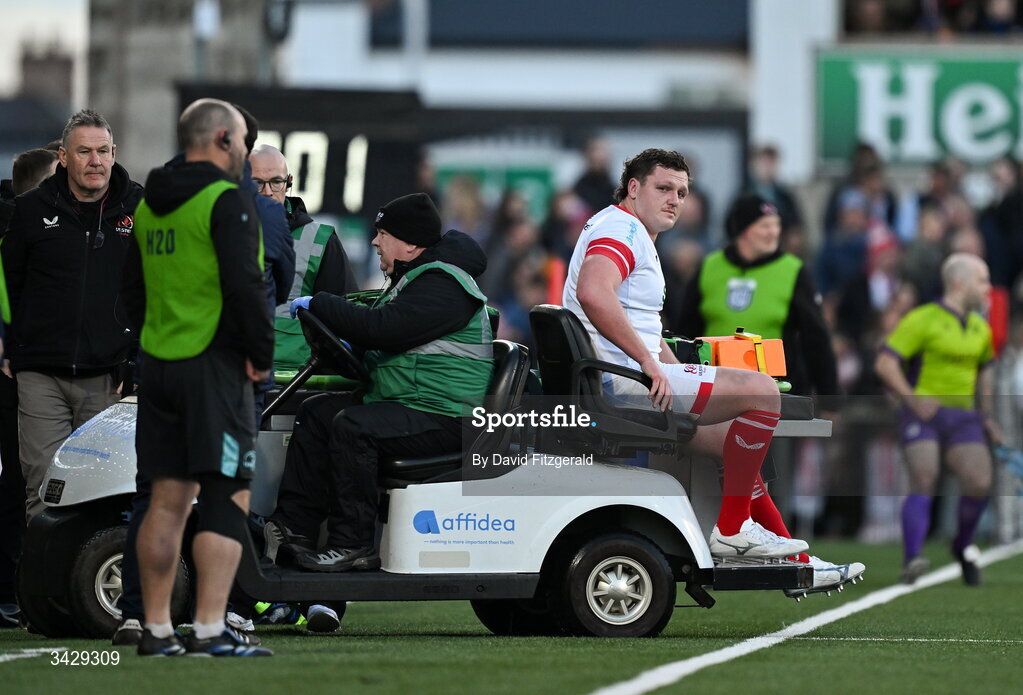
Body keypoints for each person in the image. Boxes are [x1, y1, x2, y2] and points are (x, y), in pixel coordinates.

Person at [563, 149, 864, 596]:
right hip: (626, 384)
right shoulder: (622, 228)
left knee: (734, 447)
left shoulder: (623, 228)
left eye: (682, 192)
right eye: (663, 188)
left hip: (621, 377)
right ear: (633, 187)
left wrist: (664, 360)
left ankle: (797, 562)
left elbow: (641, 327)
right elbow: (593, 292)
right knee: (763, 391)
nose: (674, 200)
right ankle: (733, 528)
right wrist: (650, 364)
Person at [263, 192, 494, 573]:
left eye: (382, 233)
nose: (374, 242)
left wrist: (319, 302)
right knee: (318, 411)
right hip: (413, 404)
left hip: (446, 416)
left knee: (355, 428)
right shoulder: (416, 278)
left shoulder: (444, 283)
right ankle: (292, 529)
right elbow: (381, 341)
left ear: (408, 244)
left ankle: (352, 544)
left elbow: (382, 330)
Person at [124, 98, 274, 656]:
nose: (244, 153)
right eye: (240, 142)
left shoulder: (146, 206)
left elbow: (130, 292)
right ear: (220, 140)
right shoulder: (227, 201)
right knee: (226, 497)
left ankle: (157, 629)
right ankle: (211, 627)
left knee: (165, 501)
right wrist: (259, 354)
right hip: (215, 367)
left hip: (158, 364)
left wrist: (155, 340)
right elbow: (245, 287)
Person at [2, 110, 143, 521]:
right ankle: (44, 587)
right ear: (63, 157)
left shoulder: (142, 208)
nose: (95, 161)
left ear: (114, 154)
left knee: (102, 495)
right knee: (43, 491)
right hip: (40, 374)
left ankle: (81, 584)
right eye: (85, 152)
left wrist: (136, 360)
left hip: (110, 377)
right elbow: (8, 283)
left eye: (103, 151)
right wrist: (9, 344)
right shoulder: (30, 209)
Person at [875, 253, 1000, 586]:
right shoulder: (922, 318)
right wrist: (912, 398)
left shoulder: (980, 327)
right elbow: (885, 364)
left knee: (979, 483)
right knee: (924, 477)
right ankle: (913, 558)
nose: (988, 288)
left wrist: (987, 418)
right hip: (925, 415)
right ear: (959, 283)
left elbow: (983, 374)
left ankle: (962, 545)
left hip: (964, 417)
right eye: (983, 280)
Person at [673, 193, 837, 398]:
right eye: (764, 226)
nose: (774, 233)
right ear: (742, 230)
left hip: (776, 392)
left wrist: (829, 395)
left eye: (776, 225)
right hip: (716, 390)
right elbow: (686, 330)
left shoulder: (792, 270)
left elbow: (815, 337)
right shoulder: (710, 267)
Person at [0, 146, 59, 628]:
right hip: (18, 373)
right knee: (23, 485)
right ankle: (21, 592)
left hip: (23, 368)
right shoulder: (20, 234)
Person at [248, 144, 357, 372]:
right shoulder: (221, 233)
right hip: (233, 367)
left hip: (297, 376)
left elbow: (345, 314)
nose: (267, 191)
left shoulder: (320, 239)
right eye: (257, 183)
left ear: (289, 182)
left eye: (275, 182)